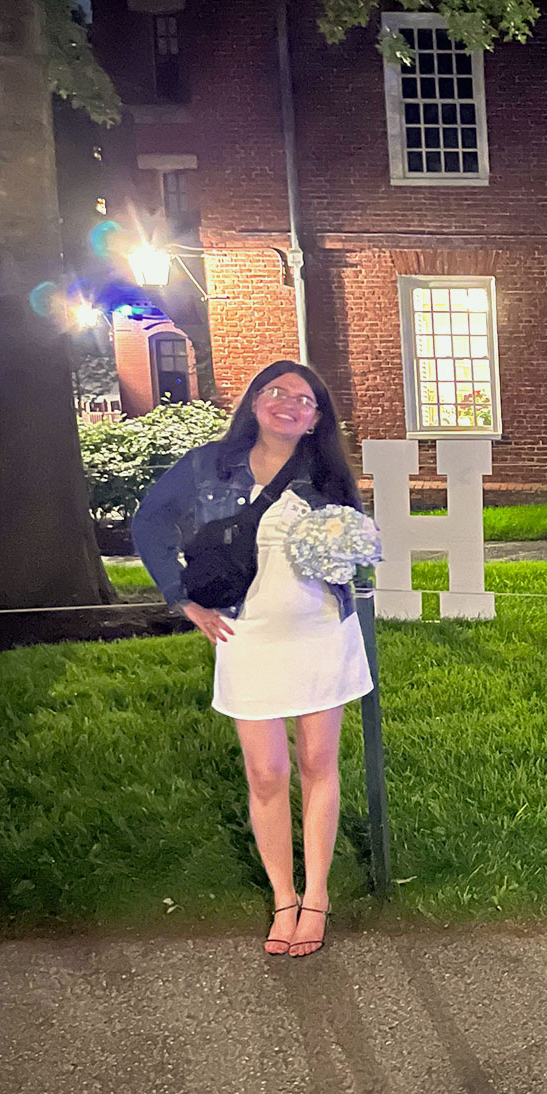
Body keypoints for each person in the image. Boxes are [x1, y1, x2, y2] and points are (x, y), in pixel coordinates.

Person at [132, 361, 373, 958]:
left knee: (319, 764)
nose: (291, 404)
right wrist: (181, 599)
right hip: (246, 637)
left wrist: (347, 554)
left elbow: (353, 547)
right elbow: (150, 521)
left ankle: (315, 897)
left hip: (320, 634)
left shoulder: (328, 473)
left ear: (318, 418)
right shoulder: (210, 465)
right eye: (278, 392)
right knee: (266, 774)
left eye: (306, 400)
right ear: (256, 401)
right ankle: (282, 898)